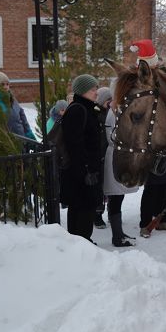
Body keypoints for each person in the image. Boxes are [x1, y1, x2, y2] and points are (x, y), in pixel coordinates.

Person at [131, 38, 166, 237]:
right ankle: (145, 223)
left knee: (162, 184)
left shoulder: (160, 83)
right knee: (152, 186)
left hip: (164, 141)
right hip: (150, 141)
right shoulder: (141, 84)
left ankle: (161, 220)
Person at [60, 74, 104, 243]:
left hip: (86, 172)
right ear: (83, 91)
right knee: (83, 209)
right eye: (93, 89)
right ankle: (81, 244)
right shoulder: (78, 110)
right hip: (81, 174)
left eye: (96, 88)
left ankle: (81, 243)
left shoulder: (87, 108)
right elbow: (74, 144)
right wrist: (86, 170)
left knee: (83, 209)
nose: (96, 92)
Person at [103, 87, 137, 247]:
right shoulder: (112, 113)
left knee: (118, 196)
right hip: (114, 156)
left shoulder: (116, 111)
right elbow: (112, 137)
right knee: (115, 197)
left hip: (118, 155)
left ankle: (119, 233)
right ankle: (117, 236)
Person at [0, 71, 36, 143]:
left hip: (21, 140)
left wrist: (29, 135)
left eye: (7, 84)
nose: (6, 87)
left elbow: (22, 117)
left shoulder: (11, 98)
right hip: (5, 143)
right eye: (2, 84)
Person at [93, 87, 113, 230]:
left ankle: (112, 212)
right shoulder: (97, 114)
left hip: (108, 154)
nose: (110, 103)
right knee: (99, 188)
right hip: (100, 155)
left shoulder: (109, 113)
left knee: (110, 186)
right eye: (108, 100)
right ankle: (97, 215)